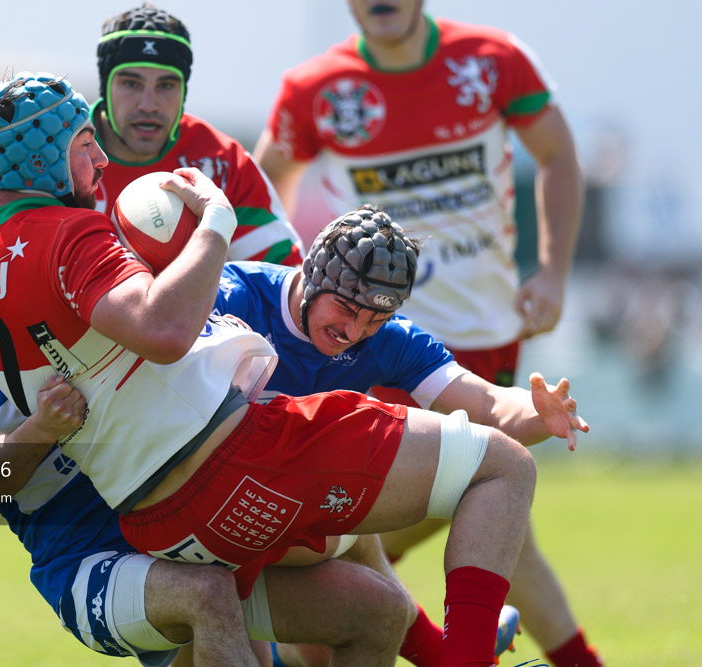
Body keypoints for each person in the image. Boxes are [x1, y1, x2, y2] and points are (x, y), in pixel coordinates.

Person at [0, 69, 540, 666]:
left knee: (378, 607)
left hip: (156, 519)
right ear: (43, 154)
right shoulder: (68, 232)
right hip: (233, 460)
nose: (101, 159)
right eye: (83, 142)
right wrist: (215, 221)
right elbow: (164, 331)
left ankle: (445, 653)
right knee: (504, 467)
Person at [0, 197, 421, 666]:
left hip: (184, 528)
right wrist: (41, 428)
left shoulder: (49, 304)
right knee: (209, 597)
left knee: (380, 611)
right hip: (90, 563)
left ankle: (447, 650)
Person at [253, 3, 600, 665]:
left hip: (480, 340)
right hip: (365, 339)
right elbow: (261, 195)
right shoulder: (316, 88)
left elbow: (557, 154)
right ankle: (448, 650)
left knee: (472, 511)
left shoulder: (492, 60)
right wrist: (295, 302)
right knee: (381, 515)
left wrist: (553, 271)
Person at [211, 203, 589, 666]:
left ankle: (451, 653)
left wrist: (535, 411)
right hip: (193, 526)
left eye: (374, 319)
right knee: (343, 558)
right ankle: (448, 649)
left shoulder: (389, 338)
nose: (354, 331)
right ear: (310, 274)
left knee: (371, 595)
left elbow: (485, 403)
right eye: (346, 309)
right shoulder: (231, 295)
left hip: (281, 523)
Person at [0, 2, 304, 267]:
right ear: (106, 88)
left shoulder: (224, 162)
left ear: (183, 92)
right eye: (131, 83)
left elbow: (280, 283)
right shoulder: (39, 147)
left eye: (166, 85)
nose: (149, 104)